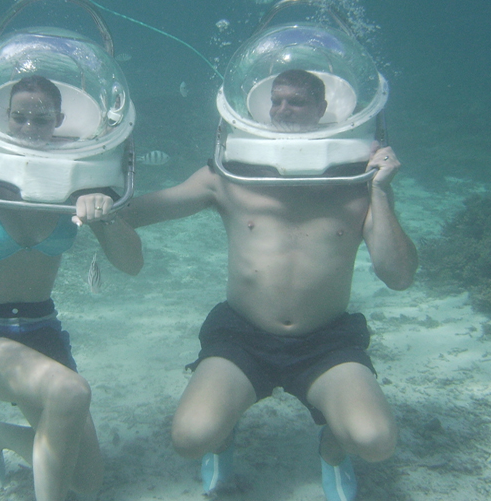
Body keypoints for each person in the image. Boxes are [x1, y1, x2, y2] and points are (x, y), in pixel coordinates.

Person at [121, 69, 418, 501]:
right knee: (190, 438)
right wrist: (95, 196)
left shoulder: (357, 182)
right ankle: (222, 435)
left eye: (296, 101)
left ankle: (333, 448)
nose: (282, 110)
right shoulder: (228, 175)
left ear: (323, 109)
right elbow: (139, 213)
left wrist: (380, 192)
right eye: (276, 100)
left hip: (326, 341)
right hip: (243, 336)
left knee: (375, 442)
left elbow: (399, 276)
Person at [0, 75, 143, 501]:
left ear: (59, 120)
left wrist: (106, 216)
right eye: (19, 117)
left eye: (41, 119)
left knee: (86, 483)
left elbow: (132, 265)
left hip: (39, 327)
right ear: (4, 117)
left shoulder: (79, 182)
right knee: (69, 391)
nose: (29, 128)